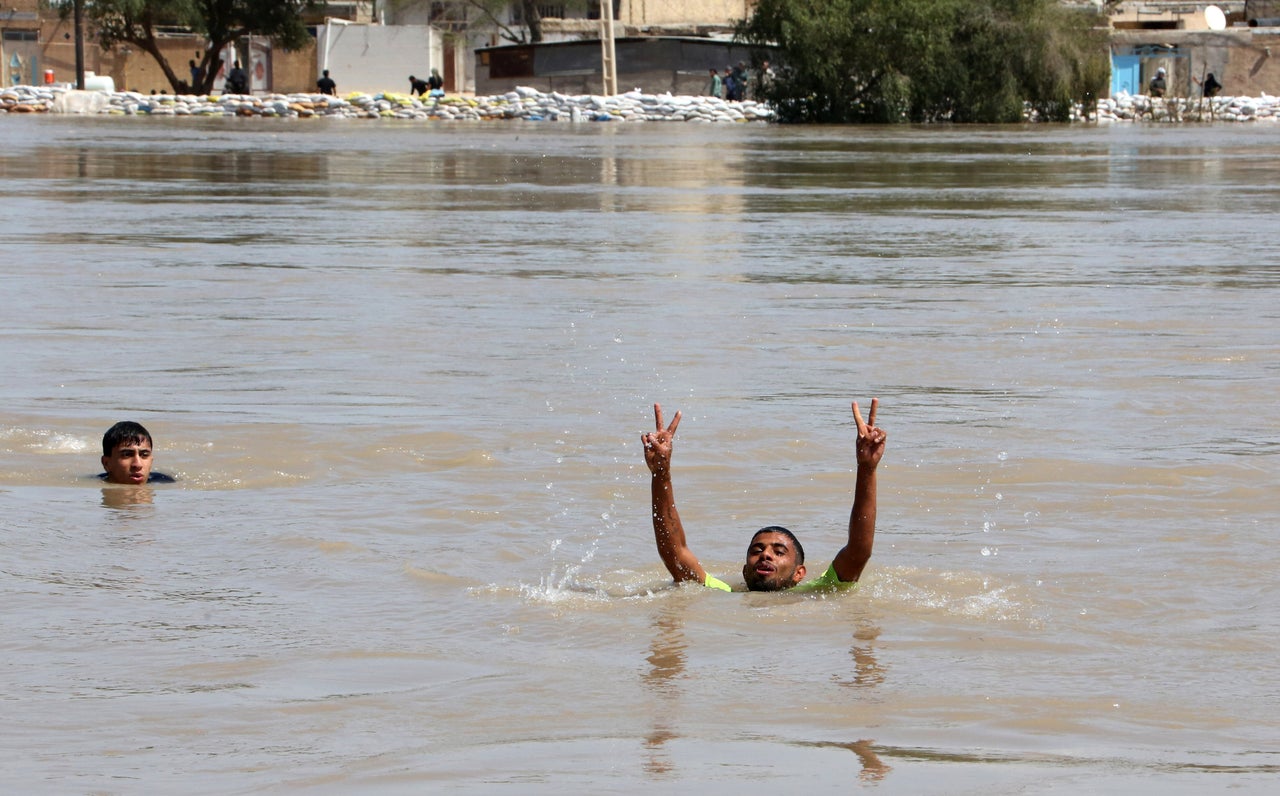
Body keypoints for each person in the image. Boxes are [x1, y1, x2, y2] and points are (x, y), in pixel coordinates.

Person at [641, 400, 886, 592]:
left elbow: (858, 552)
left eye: (779, 552)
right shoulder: (724, 594)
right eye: (757, 550)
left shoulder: (815, 592)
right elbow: (676, 553)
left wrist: (867, 468)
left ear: (799, 573)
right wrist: (661, 473)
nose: (765, 555)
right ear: (745, 571)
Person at [99, 421, 176, 485]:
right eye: (127, 455)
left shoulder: (167, 483)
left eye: (144, 455)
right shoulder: (93, 483)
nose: (138, 464)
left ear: (151, 461)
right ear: (106, 463)